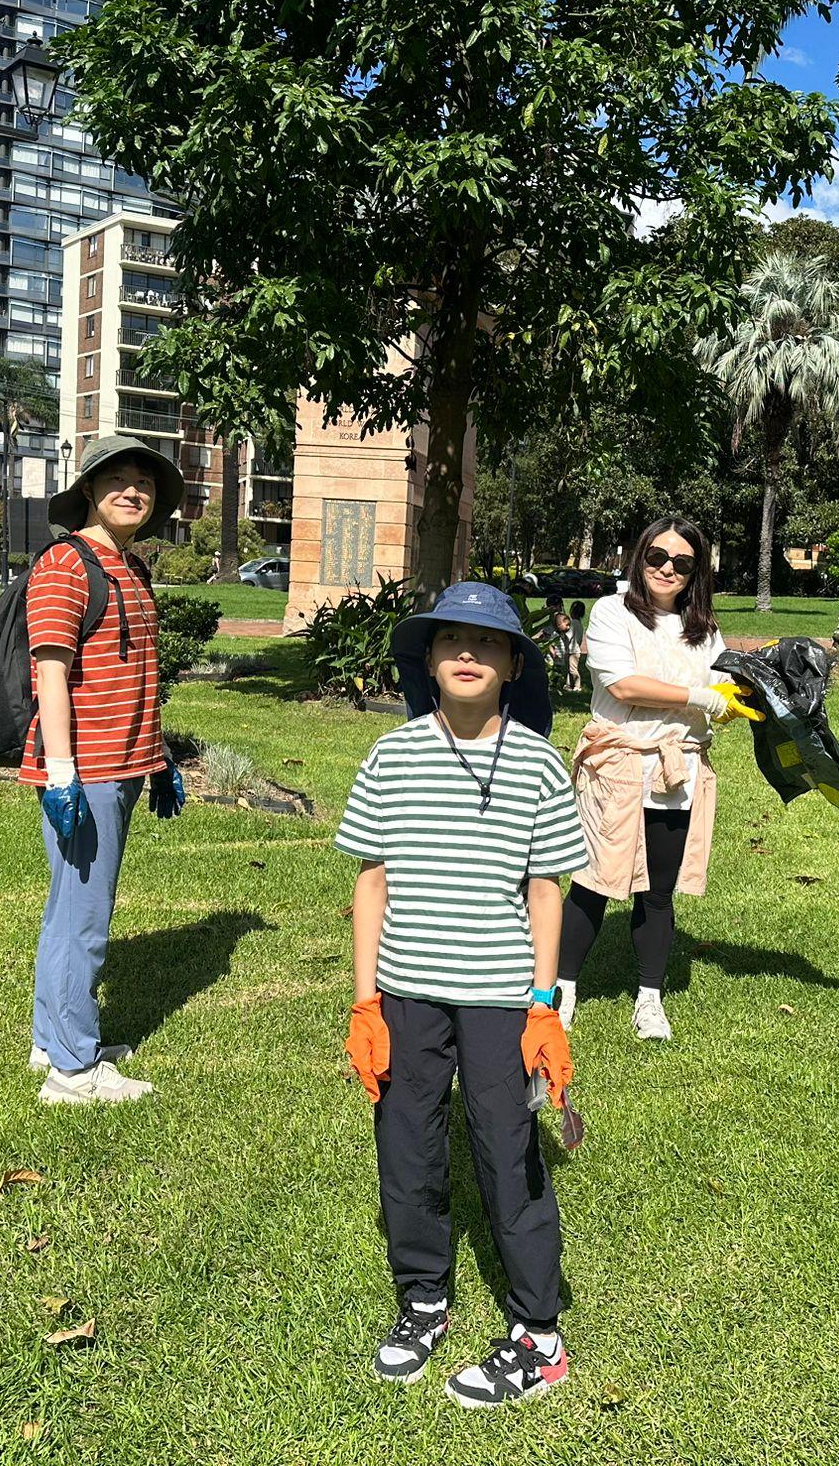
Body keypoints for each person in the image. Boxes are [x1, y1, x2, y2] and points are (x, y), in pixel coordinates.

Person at [337, 582, 588, 1407]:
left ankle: (538, 1334)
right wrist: (365, 1002)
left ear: (515, 663)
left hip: (500, 995)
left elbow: (546, 889)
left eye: (487, 643)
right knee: (407, 1144)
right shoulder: (392, 755)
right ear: (429, 660)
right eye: (450, 641)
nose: (468, 655)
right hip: (407, 993)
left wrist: (544, 1003)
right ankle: (423, 1298)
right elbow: (371, 883)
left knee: (505, 1146)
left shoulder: (538, 764)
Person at [20, 436, 186, 1107]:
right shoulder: (67, 563)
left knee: (67, 912)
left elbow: (135, 672)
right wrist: (62, 774)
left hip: (125, 763)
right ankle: (74, 1071)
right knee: (85, 921)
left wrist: (162, 756)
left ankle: (51, 1039)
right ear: (88, 490)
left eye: (143, 483)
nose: (132, 491)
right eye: (115, 479)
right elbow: (51, 673)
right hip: (87, 770)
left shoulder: (131, 567)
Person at [556, 516, 742, 1041]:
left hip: (676, 770)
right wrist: (699, 698)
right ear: (639, 557)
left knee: (658, 892)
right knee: (593, 884)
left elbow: (725, 680)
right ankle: (561, 990)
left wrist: (735, 699)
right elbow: (623, 683)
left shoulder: (703, 629)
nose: (667, 569)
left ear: (695, 572)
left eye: (682, 563)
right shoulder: (613, 612)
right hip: (616, 765)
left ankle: (649, 998)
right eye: (657, 556)